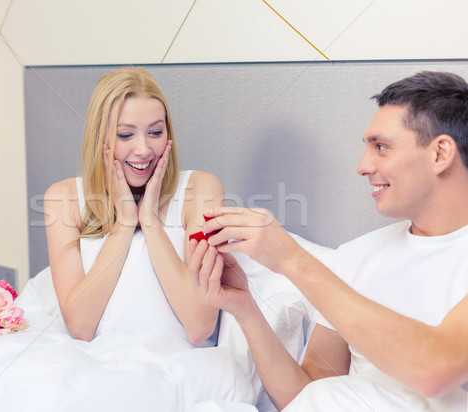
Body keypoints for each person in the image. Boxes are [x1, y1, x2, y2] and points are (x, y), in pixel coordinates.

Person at [188, 71, 468, 410]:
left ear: (440, 154)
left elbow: (434, 370)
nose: (363, 166)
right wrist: (244, 307)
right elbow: (306, 394)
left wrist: (294, 261)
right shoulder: (356, 255)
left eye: (381, 147)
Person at [44, 66, 223, 345]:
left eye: (155, 132)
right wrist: (125, 223)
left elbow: (200, 326)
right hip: (97, 363)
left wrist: (150, 221)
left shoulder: (200, 189)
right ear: (99, 138)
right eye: (125, 135)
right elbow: (80, 326)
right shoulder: (62, 198)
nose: (143, 149)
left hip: (179, 363)